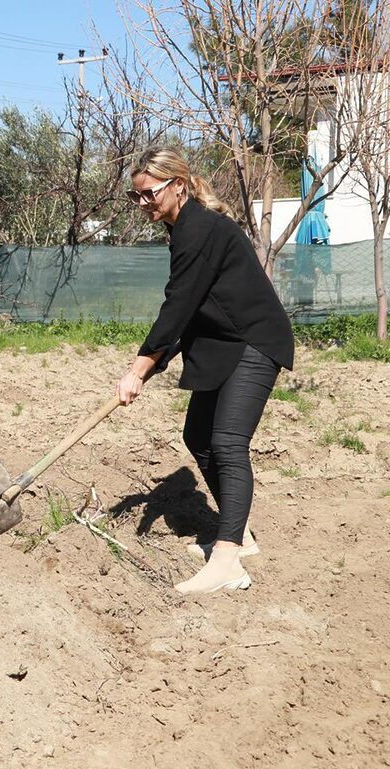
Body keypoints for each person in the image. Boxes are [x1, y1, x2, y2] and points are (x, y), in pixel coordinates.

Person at [117, 148, 294, 596]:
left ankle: (228, 560)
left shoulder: (201, 229)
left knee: (228, 442)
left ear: (178, 184)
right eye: (136, 197)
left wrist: (139, 367)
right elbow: (195, 308)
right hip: (222, 343)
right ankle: (240, 534)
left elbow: (177, 306)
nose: (144, 205)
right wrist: (152, 366)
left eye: (149, 194)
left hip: (254, 341)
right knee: (198, 437)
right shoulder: (183, 229)